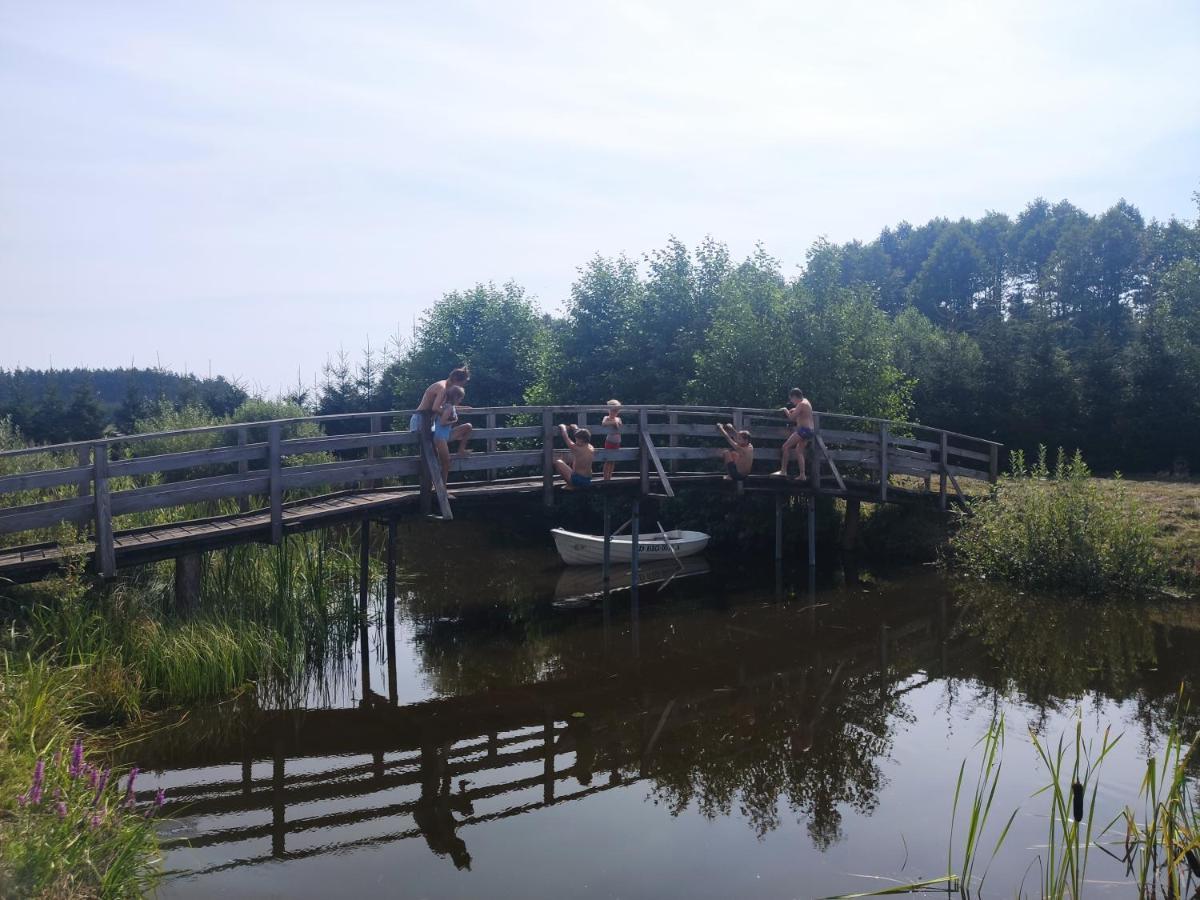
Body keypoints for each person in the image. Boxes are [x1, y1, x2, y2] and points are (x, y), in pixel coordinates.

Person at [410, 367, 472, 456]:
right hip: (420, 421)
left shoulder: (446, 388)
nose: (461, 387)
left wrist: (462, 408)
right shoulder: (442, 388)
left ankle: (457, 451)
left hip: (428, 422)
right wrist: (451, 417)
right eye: (461, 384)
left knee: (434, 455)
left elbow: (445, 407)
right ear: (456, 380)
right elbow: (435, 408)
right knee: (431, 456)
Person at [771, 388, 815, 480]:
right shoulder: (806, 402)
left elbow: (791, 418)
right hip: (809, 430)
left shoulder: (801, 404)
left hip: (804, 430)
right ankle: (802, 475)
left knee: (785, 447)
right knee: (799, 451)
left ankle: (783, 471)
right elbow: (801, 414)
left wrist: (785, 410)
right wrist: (795, 409)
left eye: (791, 399)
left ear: (795, 396)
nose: (791, 401)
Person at [433, 385, 472, 483]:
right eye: (460, 398)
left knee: (468, 426)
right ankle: (442, 489)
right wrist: (454, 420)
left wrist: (465, 408)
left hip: (447, 434)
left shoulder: (449, 406)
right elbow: (442, 422)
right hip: (440, 437)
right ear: (456, 397)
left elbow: (454, 408)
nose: (461, 400)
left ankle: (461, 450)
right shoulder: (449, 407)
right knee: (446, 464)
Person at [554, 423, 595, 490]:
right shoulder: (591, 447)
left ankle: (571, 485)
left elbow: (565, 437)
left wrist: (563, 427)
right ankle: (572, 484)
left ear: (581, 440)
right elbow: (583, 435)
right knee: (574, 460)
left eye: (576, 440)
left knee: (558, 462)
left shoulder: (577, 448)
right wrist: (575, 428)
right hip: (588, 480)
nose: (576, 442)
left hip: (578, 480)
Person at [600, 399, 622, 481]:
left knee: (613, 460)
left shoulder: (618, 419)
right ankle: (606, 477)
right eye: (612, 411)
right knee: (608, 459)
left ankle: (610, 476)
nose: (613, 413)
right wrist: (613, 423)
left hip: (617, 442)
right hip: (609, 442)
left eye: (616, 411)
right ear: (609, 410)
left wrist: (616, 423)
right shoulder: (606, 418)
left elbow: (620, 425)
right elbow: (603, 424)